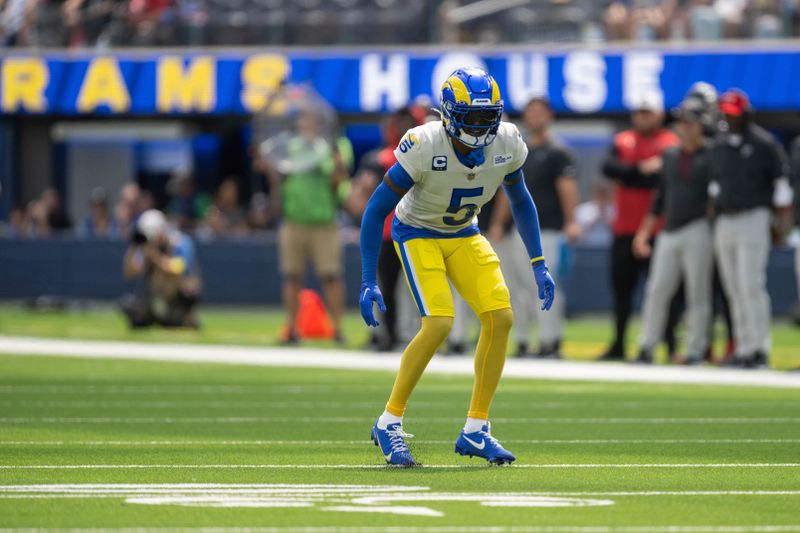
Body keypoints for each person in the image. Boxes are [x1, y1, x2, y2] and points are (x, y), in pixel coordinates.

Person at [358, 67, 555, 466]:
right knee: (439, 323)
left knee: (500, 318)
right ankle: (389, 421)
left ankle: (476, 429)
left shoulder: (508, 142)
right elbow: (376, 208)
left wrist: (538, 262)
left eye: (488, 116)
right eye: (473, 116)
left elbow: (521, 200)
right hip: (417, 233)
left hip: (464, 233)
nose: (483, 126)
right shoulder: (424, 143)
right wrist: (367, 277)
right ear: (449, 114)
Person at [486, 96, 579, 358]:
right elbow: (509, 190)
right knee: (521, 287)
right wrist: (497, 222)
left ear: (550, 116)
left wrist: (572, 222)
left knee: (547, 285)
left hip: (549, 228)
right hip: (521, 229)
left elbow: (568, 189)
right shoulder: (520, 149)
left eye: (540, 111)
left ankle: (551, 341)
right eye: (531, 112)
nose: (534, 116)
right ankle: (527, 340)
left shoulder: (558, 151)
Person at [710, 89, 792, 368]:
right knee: (732, 288)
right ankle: (743, 347)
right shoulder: (720, 144)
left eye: (733, 114)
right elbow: (715, 184)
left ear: (745, 114)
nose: (728, 118)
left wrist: (781, 224)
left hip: (753, 217)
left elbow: (781, 189)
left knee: (751, 285)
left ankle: (759, 348)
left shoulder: (763, 143)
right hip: (725, 219)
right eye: (725, 113)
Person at [633, 93, 715, 364]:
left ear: (701, 125)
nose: (685, 127)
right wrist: (644, 232)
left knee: (697, 292)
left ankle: (695, 349)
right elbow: (660, 198)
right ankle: (647, 345)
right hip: (670, 228)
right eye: (682, 122)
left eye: (690, 122)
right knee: (657, 289)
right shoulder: (670, 156)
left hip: (699, 227)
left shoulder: (711, 155)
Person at [261, 107, 353, 344]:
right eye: (304, 120)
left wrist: (336, 160)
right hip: (293, 220)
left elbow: (338, 180)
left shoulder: (334, 146)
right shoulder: (290, 147)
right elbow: (277, 175)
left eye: (313, 119)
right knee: (292, 276)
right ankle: (291, 329)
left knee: (330, 275)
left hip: (324, 221)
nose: (308, 124)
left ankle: (338, 329)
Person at [599, 94, 680, 360]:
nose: (643, 117)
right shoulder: (623, 139)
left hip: (658, 227)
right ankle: (619, 343)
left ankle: (669, 344)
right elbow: (609, 168)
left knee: (663, 291)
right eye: (640, 112)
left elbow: (663, 179)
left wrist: (630, 175)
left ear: (659, 114)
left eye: (648, 112)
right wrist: (640, 171)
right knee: (621, 290)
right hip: (624, 228)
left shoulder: (669, 141)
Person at [121, 209, 201, 329]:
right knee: (129, 305)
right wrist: (134, 248)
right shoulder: (147, 248)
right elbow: (130, 273)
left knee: (182, 310)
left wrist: (156, 258)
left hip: (179, 294)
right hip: (154, 293)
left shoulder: (180, 242)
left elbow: (179, 268)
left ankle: (179, 317)